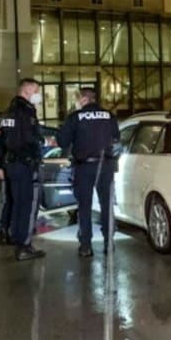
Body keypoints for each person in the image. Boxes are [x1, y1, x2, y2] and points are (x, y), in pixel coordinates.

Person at [58, 87, 120, 258]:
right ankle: (109, 242)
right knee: (106, 205)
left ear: (83, 99)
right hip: (106, 166)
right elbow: (116, 139)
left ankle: (86, 246)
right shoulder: (109, 116)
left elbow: (62, 142)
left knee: (84, 206)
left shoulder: (75, 117)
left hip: (84, 167)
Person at [0, 78, 46, 261]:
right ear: (27, 91)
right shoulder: (25, 111)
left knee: (16, 203)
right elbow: (28, 139)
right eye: (36, 91)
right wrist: (40, 145)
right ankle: (24, 245)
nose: (38, 95)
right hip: (25, 164)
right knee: (28, 205)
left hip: (11, 164)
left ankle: (16, 238)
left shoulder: (8, 112)